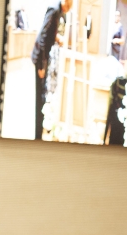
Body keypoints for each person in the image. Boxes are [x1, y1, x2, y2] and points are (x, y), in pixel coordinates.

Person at [32, 0, 72, 140]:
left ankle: (40, 128)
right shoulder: (54, 10)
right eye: (70, 5)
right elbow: (43, 37)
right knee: (39, 96)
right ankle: (37, 134)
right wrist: (42, 66)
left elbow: (49, 33)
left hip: (43, 57)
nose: (69, 9)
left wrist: (56, 38)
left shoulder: (58, 11)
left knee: (42, 93)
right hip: (40, 58)